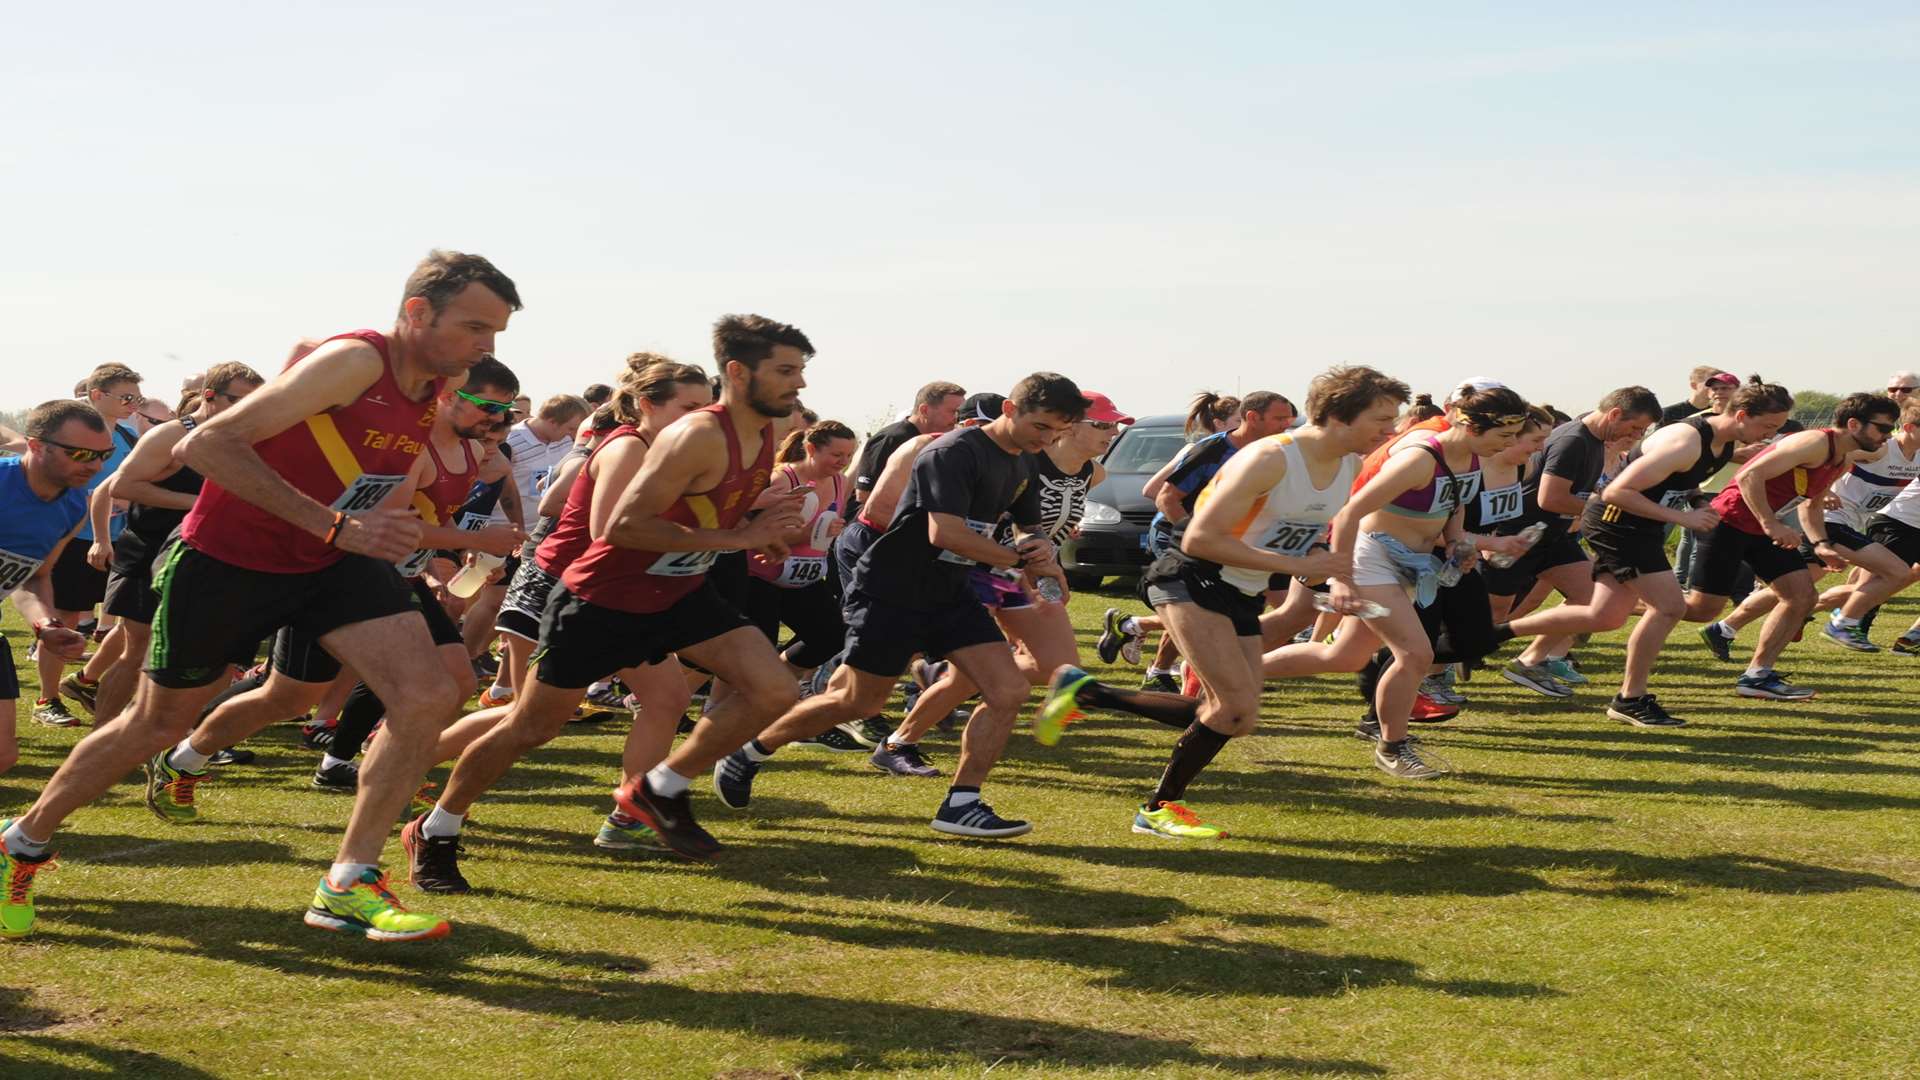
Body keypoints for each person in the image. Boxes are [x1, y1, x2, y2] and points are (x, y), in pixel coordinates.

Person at [0, 249, 520, 943]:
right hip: (229, 560)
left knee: (428, 692)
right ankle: (24, 839)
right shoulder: (356, 362)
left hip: (329, 560)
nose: (484, 347)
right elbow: (208, 447)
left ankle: (349, 879)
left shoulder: (431, 387)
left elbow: (352, 468)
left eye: (496, 335)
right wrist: (337, 522)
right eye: (475, 327)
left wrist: (392, 529)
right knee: (155, 725)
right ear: (417, 312)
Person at [404, 314, 813, 882]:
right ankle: (436, 826)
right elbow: (619, 527)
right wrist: (735, 538)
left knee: (774, 688)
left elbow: (701, 509)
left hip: (678, 591)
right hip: (603, 600)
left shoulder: (766, 432)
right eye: (787, 371)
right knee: (529, 726)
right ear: (739, 373)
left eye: (801, 370)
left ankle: (657, 791)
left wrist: (762, 523)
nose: (800, 384)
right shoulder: (682, 437)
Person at [708, 374, 1083, 840]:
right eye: (1040, 426)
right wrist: (1017, 562)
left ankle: (962, 803)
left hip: (951, 591)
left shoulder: (1024, 462)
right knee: (858, 700)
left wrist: (1041, 552)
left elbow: (1028, 527)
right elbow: (943, 532)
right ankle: (750, 752)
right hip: (893, 590)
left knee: (1008, 691)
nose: (1045, 438)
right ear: (1010, 408)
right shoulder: (952, 452)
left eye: (1055, 432)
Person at [1041, 367, 1406, 837]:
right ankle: (1156, 810)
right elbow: (1199, 539)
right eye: (1380, 419)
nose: (1390, 430)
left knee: (1237, 714)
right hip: (1190, 578)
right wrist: (1301, 564)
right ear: (1338, 415)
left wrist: (1327, 567)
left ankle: (1088, 693)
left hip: (1241, 591)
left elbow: (1296, 535)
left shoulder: (1348, 466)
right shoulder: (1270, 459)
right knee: (1232, 708)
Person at [873, 390, 1135, 777]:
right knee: (987, 673)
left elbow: (1050, 522)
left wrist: (1055, 541)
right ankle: (908, 742)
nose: (1111, 433)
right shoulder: (1025, 459)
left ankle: (921, 709)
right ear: (1068, 426)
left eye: (1115, 426)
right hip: (978, 572)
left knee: (1059, 667)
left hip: (1027, 574)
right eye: (1102, 424)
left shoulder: (1093, 472)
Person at [1576, 379, 1793, 725]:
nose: (1770, 435)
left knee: (1605, 616)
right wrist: (1683, 517)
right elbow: (1617, 491)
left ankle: (1500, 633)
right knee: (1671, 607)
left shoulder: (1723, 443)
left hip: (1637, 526)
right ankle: (1630, 698)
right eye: (1767, 426)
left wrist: (1696, 500)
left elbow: (1682, 478)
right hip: (1617, 523)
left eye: (1777, 429)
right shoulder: (1687, 440)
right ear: (1741, 415)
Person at [59, 363, 265, 726]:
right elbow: (122, 487)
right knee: (138, 646)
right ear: (209, 396)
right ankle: (102, 736)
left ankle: (179, 736)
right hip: (147, 551)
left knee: (204, 651)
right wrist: (201, 504)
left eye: (254, 401)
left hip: (203, 555)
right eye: (237, 399)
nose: (245, 408)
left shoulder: (241, 440)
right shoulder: (170, 436)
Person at [1688, 392, 1900, 700]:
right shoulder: (1814, 443)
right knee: (1700, 609)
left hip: (1759, 530)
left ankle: (1757, 676)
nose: (1887, 436)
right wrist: (1771, 523)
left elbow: (1811, 506)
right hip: (1727, 524)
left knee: (1801, 596)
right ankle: (1619, 607)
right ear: (1854, 424)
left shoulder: (1840, 459)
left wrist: (1821, 543)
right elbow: (1749, 475)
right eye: (1882, 428)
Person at [1487, 387, 1663, 697]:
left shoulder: (1594, 440)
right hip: (1518, 537)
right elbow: (1551, 498)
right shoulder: (1573, 441)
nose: (1637, 435)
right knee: (1490, 616)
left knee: (1590, 599)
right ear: (1615, 414)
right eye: (1635, 427)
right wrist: (1607, 509)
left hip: (1552, 538)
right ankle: (1429, 667)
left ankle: (1529, 661)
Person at [1129, 391, 1293, 691]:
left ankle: (1168, 665)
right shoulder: (1212, 450)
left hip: (1228, 542)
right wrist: (1195, 538)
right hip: (1178, 534)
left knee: (1221, 609)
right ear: (1252, 417)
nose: (1287, 426)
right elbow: (1166, 498)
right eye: (1280, 419)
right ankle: (1162, 671)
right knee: (1194, 606)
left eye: (1289, 420)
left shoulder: (1276, 452)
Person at [0, 403, 111, 795]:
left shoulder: (74, 504)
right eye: (80, 453)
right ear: (36, 445)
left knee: (3, 757)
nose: (94, 466)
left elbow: (34, 577)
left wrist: (45, 624)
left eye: (104, 455)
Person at [32, 364, 144, 727]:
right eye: (126, 397)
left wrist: (128, 500)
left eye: (136, 398)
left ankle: (89, 685)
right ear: (97, 395)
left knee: (131, 621)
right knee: (63, 619)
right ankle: (47, 700)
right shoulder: (67, 432)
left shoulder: (128, 435)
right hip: (73, 539)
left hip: (121, 540)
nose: (132, 404)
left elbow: (134, 481)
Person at [461, 393, 589, 685]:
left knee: (507, 602)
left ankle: (479, 658)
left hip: (533, 534)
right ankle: (465, 657)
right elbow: (499, 485)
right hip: (494, 528)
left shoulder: (566, 444)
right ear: (552, 419)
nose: (574, 434)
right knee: (489, 599)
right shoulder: (510, 440)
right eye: (570, 427)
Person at [745, 421, 855, 680]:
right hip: (762, 577)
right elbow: (761, 532)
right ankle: (725, 705)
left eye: (849, 455)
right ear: (811, 449)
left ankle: (782, 681)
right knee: (756, 653)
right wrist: (816, 531)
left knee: (833, 637)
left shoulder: (840, 481)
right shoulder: (783, 479)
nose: (843, 461)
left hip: (805, 577)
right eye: (837, 455)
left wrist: (826, 531)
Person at [846, 380, 965, 521]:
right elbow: (864, 494)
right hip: (870, 531)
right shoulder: (892, 438)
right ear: (924, 410)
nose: (957, 419)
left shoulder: (935, 442)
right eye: (953, 411)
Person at [1660, 367, 1738, 427]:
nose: (1719, 391)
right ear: (1694, 385)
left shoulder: (1738, 415)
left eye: (1724, 388)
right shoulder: (1669, 413)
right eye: (1714, 388)